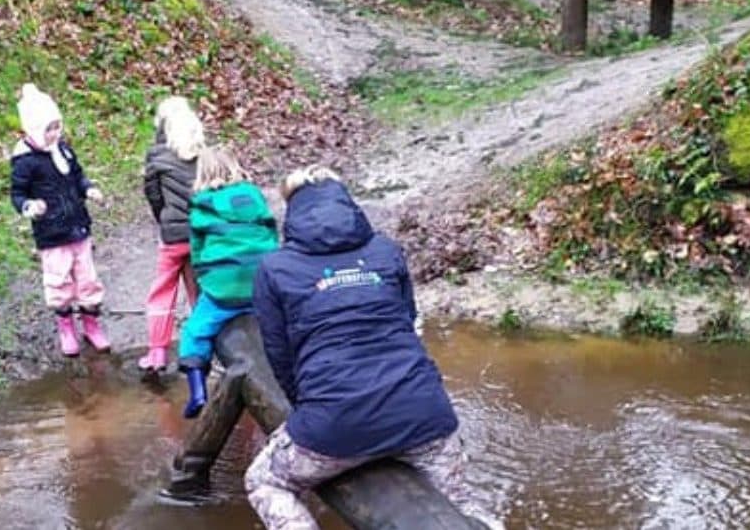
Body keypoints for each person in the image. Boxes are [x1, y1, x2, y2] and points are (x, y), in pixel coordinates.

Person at [245, 166, 501, 530]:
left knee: (264, 481)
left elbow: (279, 354)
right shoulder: (385, 250)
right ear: (347, 202)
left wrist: (312, 410)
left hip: (333, 423)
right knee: (463, 506)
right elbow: (408, 321)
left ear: (292, 209)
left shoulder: (274, 268)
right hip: (425, 415)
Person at [177, 146, 279, 418]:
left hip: (223, 288)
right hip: (261, 283)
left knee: (195, 331)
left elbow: (197, 252)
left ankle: (197, 391)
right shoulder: (254, 197)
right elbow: (272, 234)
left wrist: (205, 280)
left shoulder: (202, 204)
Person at [10, 83, 110, 357]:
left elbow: (77, 176)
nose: (55, 134)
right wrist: (29, 206)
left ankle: (91, 324)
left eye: (57, 127)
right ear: (33, 129)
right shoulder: (25, 162)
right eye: (48, 129)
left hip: (78, 227)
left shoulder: (63, 151)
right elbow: (17, 194)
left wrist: (88, 189)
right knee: (59, 281)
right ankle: (66, 327)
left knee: (88, 279)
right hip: (52, 234)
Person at [137, 97, 202, 372]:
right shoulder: (203, 156)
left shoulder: (156, 156)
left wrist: (163, 220)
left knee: (163, 291)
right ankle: (202, 348)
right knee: (198, 291)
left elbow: (153, 195)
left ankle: (157, 352)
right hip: (199, 236)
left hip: (172, 238)